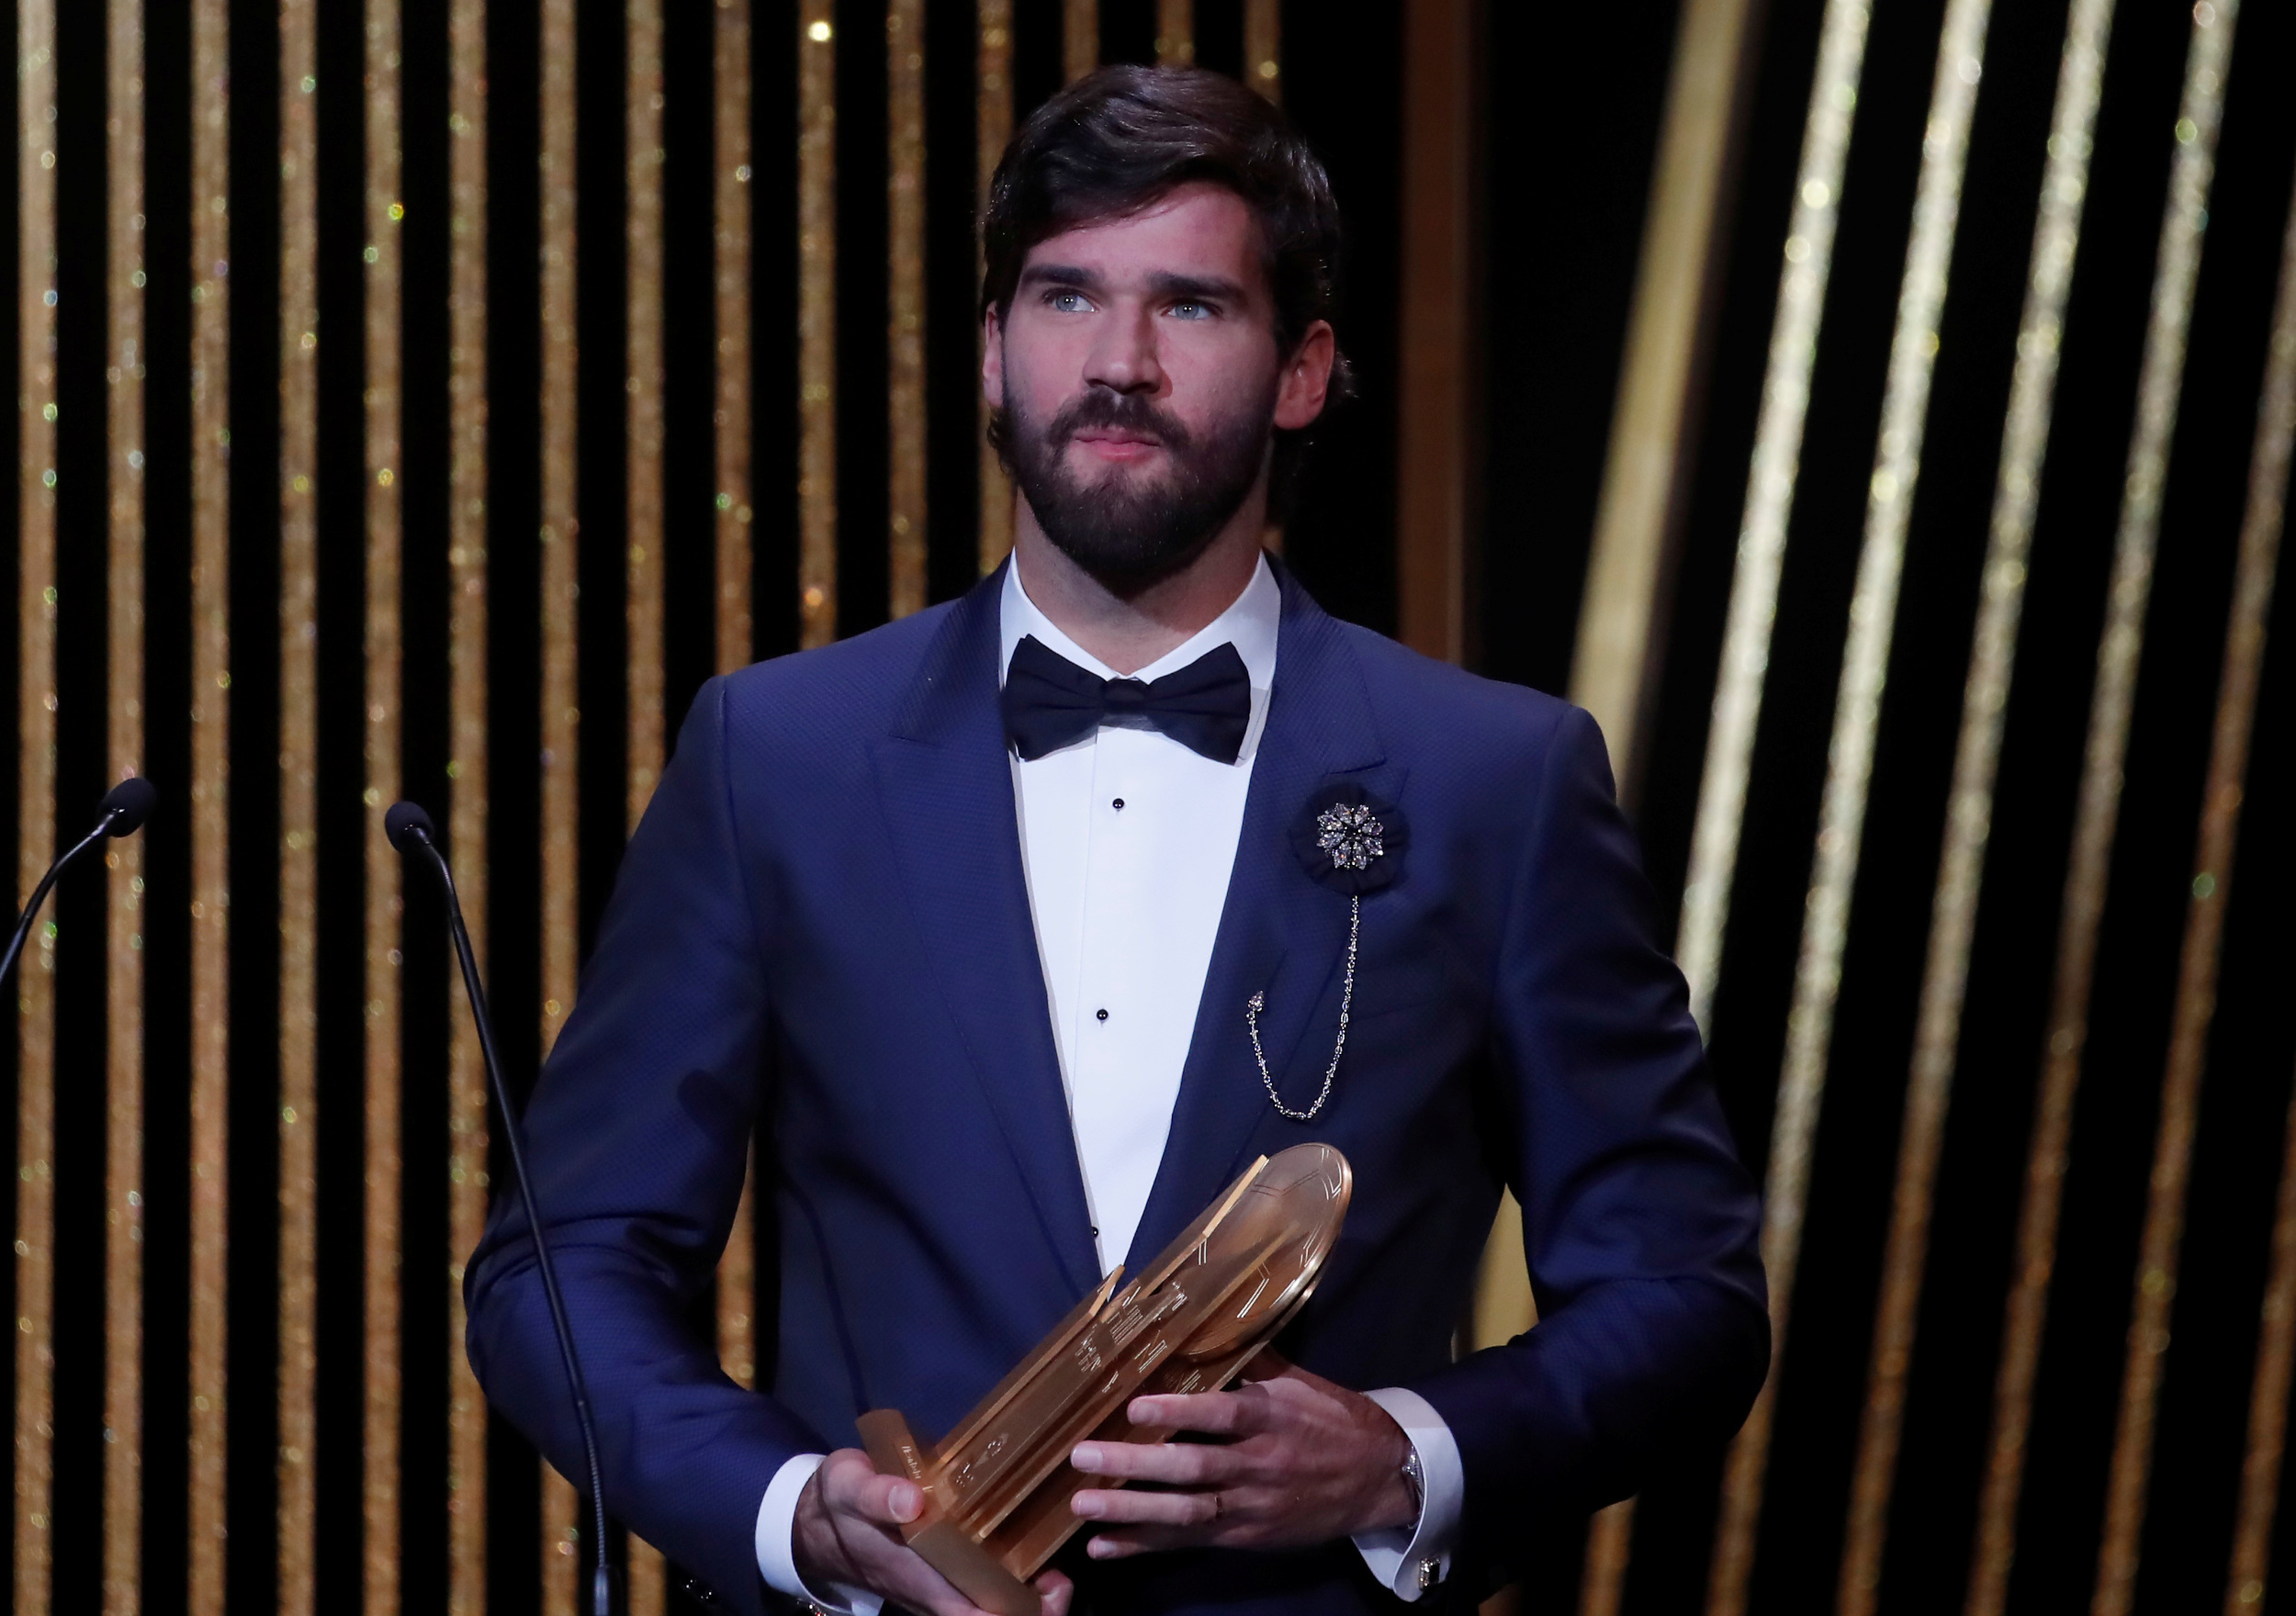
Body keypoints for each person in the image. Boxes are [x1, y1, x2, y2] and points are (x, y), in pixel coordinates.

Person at [467, 63, 1767, 1616]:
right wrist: (791, 1511)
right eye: (1067, 295)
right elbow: (565, 1257)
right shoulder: (780, 756)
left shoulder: (1498, 776)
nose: (1121, 361)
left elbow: (1682, 1291)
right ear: (994, 359)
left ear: (1304, 369)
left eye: (1193, 307)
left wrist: (1401, 1456)